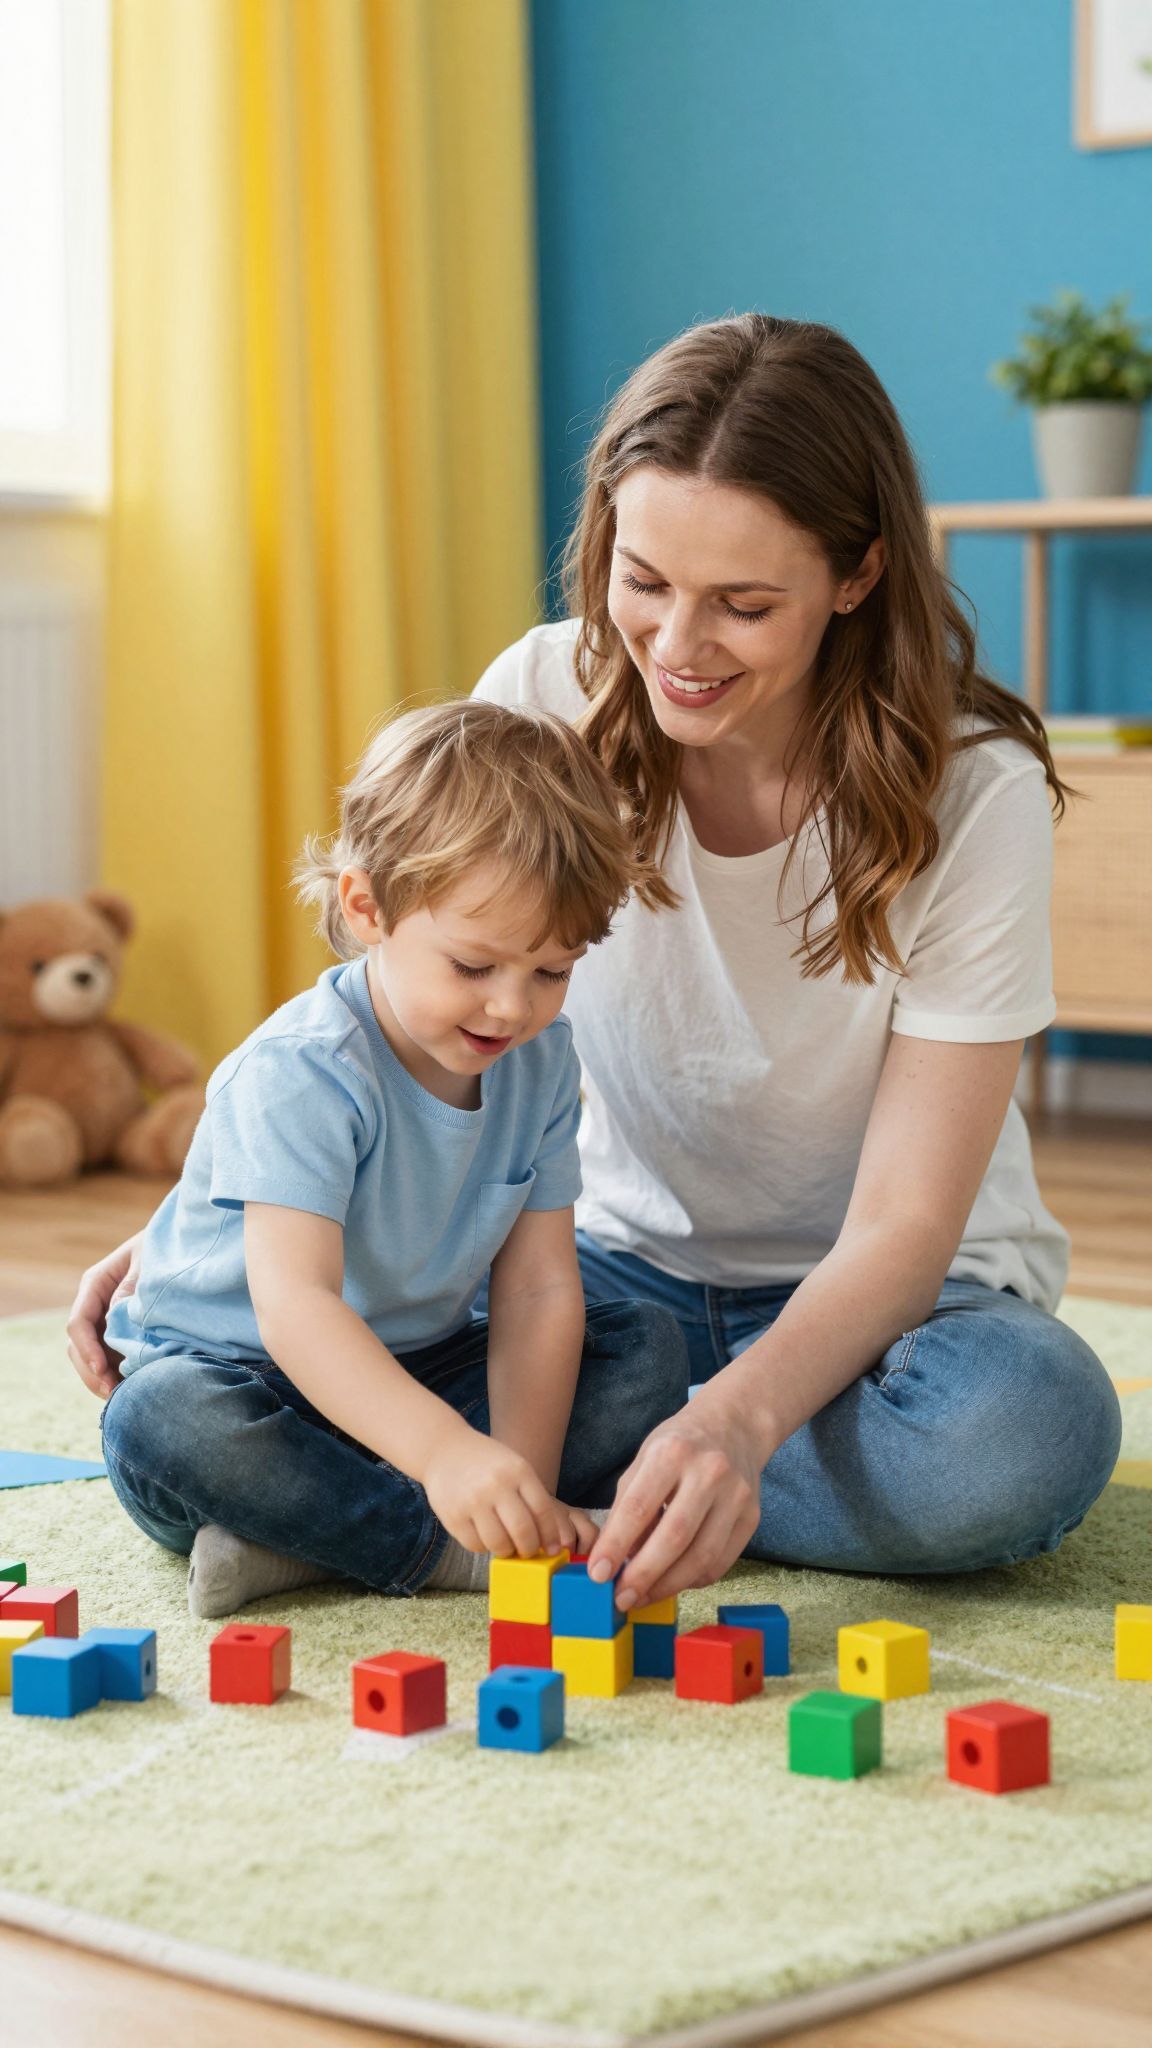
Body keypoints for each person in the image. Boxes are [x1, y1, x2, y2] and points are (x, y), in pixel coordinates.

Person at [72, 312, 1121, 1617]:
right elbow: (400, 999)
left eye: (743, 605)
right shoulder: (541, 694)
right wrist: (218, 1215)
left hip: (893, 1312)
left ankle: (426, 1509)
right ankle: (579, 1493)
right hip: (607, 1277)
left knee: (1025, 1442)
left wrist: (736, 1425)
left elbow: (907, 1227)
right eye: (643, 580)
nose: (676, 646)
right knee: (196, 1411)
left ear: (856, 577)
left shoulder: (975, 789)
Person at [91, 700, 689, 1617]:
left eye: (551, 972)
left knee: (645, 1347)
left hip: (420, 1366)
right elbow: (297, 1307)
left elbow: (536, 1290)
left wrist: (512, 1487)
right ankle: (427, 1545)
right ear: (367, 908)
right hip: (252, 1379)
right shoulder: (303, 1072)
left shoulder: (541, 1060)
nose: (510, 1010)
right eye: (474, 967)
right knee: (157, 1421)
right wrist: (449, 1456)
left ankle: (315, 1543)